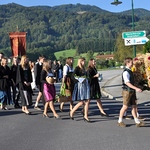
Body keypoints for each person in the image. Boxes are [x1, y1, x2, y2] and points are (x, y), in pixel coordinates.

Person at [117, 57, 145, 127]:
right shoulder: (126, 72)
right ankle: (120, 121)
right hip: (127, 91)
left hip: (131, 91)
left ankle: (137, 121)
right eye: (131, 62)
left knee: (134, 106)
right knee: (125, 107)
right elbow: (127, 83)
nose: (132, 63)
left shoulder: (129, 71)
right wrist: (136, 88)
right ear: (127, 63)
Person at [70, 58, 90, 122]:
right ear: (80, 62)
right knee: (81, 102)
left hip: (85, 85)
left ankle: (86, 116)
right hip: (80, 86)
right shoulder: (77, 68)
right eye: (83, 61)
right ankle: (72, 111)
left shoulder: (84, 68)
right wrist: (79, 79)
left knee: (87, 101)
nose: (84, 62)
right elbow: (73, 76)